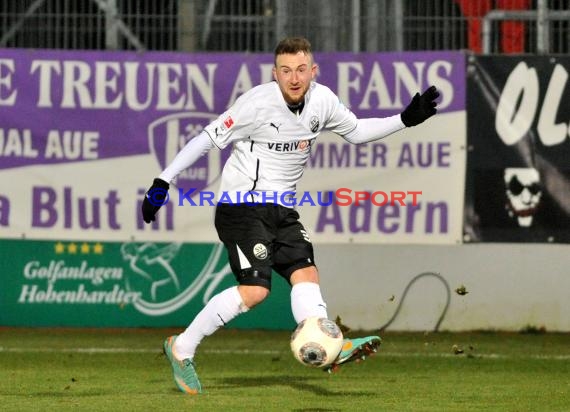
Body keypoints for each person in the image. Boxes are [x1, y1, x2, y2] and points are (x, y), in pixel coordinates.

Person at [141, 36, 439, 394]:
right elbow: (207, 138)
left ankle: (326, 340)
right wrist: (164, 179)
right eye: (286, 71)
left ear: (313, 71)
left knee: (305, 273)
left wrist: (405, 119)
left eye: (301, 69)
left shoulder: (323, 101)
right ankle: (182, 347)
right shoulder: (256, 103)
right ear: (275, 73)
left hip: (282, 210)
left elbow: (357, 132)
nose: (294, 78)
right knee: (255, 291)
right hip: (241, 207)